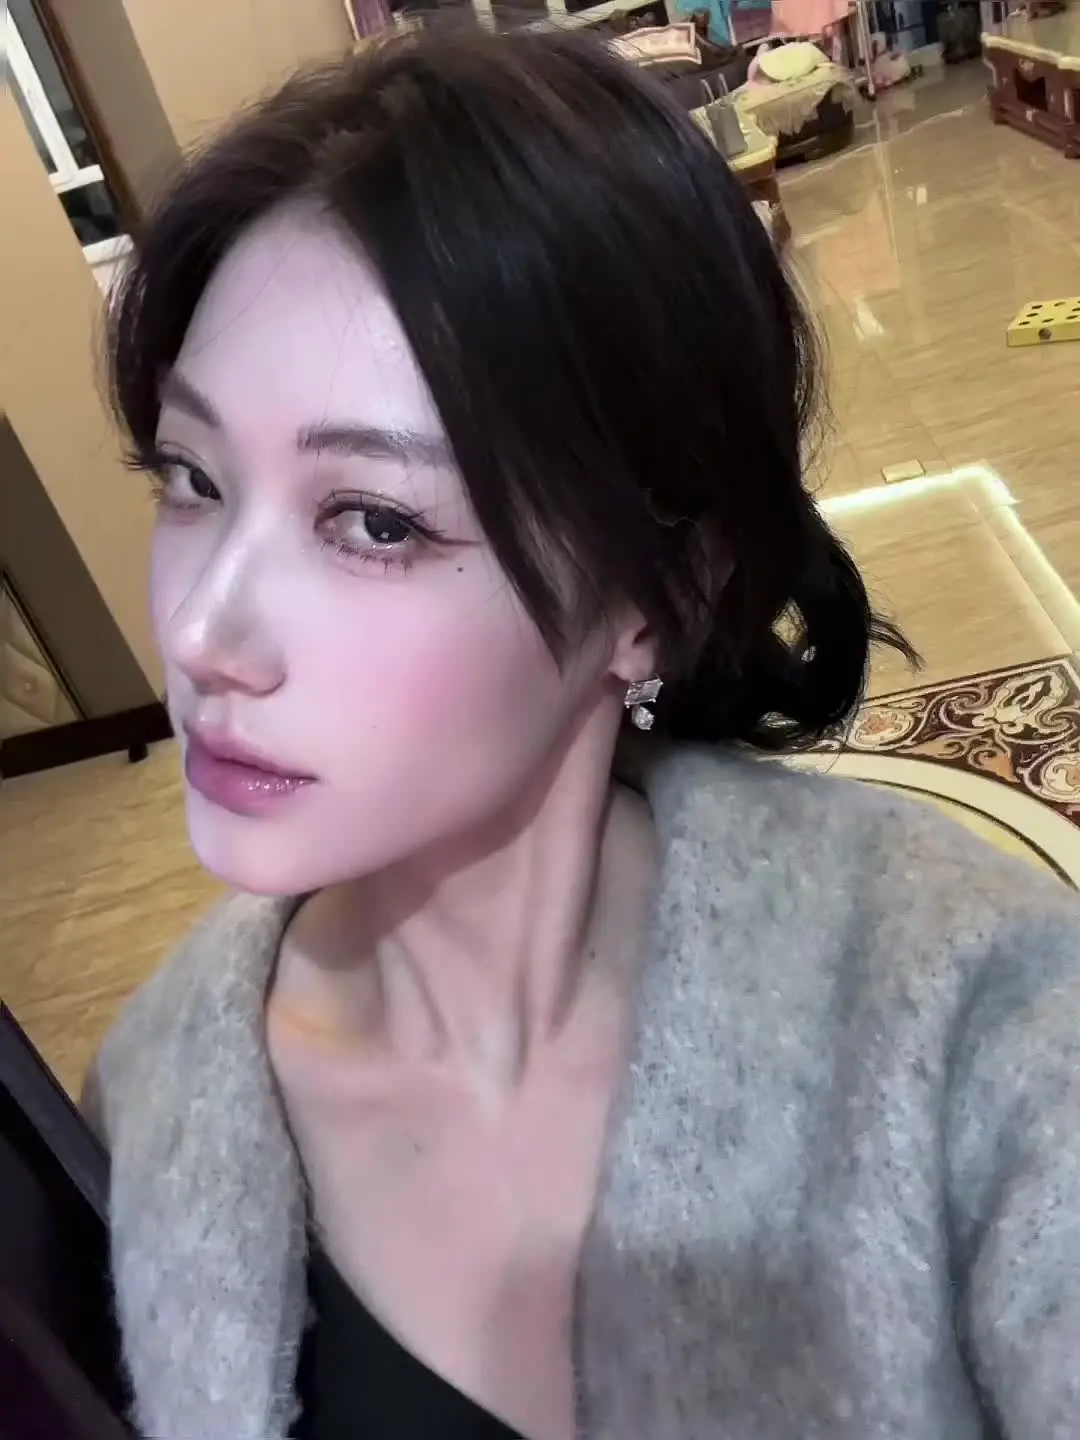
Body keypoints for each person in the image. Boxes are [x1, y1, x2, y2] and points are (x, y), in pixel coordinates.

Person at [83, 24, 1080, 1440]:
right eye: (192, 479)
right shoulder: (151, 1102)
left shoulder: (987, 1018)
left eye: (375, 522)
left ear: (657, 598)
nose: (198, 633)